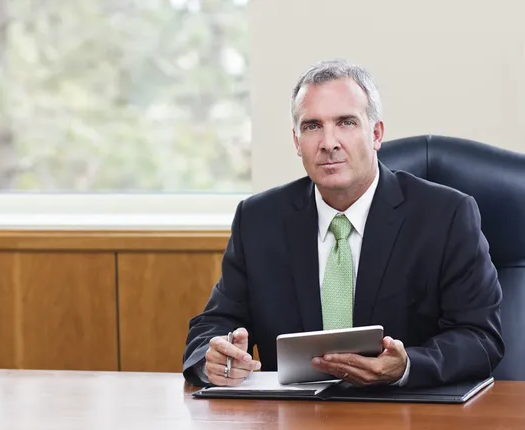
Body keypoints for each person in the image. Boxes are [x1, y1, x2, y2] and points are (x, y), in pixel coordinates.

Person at [183, 59, 504, 388]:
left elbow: (481, 337)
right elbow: (214, 323)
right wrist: (215, 359)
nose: (328, 142)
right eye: (312, 126)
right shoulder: (258, 219)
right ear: (296, 141)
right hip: (293, 415)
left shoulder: (446, 215)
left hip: (405, 410)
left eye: (346, 123)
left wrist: (407, 365)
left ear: (376, 133)